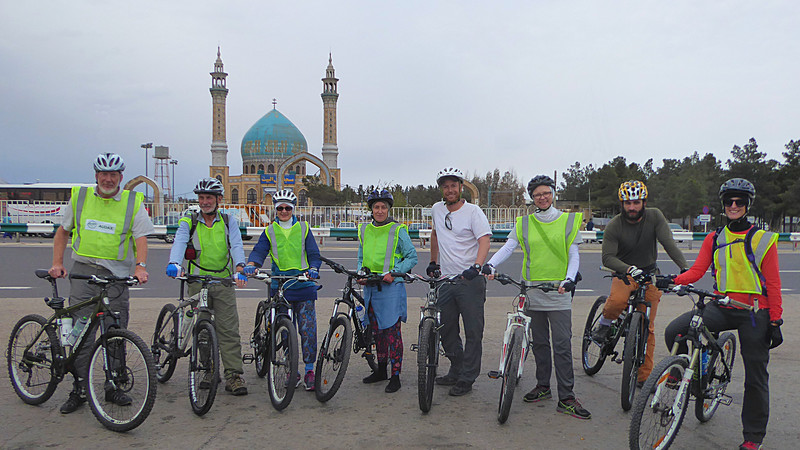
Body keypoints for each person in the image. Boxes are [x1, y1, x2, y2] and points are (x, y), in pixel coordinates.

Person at [661, 178, 782, 450]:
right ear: (723, 205)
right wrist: (672, 280)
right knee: (676, 331)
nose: (734, 205)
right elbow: (696, 271)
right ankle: (693, 376)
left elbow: (773, 283)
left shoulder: (763, 240)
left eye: (740, 201)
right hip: (722, 304)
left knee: (756, 375)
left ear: (748, 205)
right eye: (730, 201)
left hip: (754, 312)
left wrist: (775, 320)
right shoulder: (714, 237)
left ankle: (753, 437)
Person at [48, 153, 154, 414]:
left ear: (121, 177)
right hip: (83, 273)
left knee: (114, 331)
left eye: (114, 175)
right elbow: (63, 232)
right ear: (96, 175)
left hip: (116, 276)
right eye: (103, 174)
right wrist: (57, 263)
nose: (108, 179)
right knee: (82, 333)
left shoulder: (132, 201)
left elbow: (140, 238)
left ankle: (113, 385)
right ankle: (80, 388)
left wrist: (140, 266)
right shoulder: (81, 197)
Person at [483, 175, 590, 419]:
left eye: (546, 193)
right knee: (539, 343)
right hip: (531, 291)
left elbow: (574, 255)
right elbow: (508, 247)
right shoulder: (523, 223)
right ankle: (543, 386)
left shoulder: (568, 221)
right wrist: (489, 265)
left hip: (559, 291)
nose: (542, 197)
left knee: (562, 345)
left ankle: (567, 397)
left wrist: (570, 278)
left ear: (553, 194)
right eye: (537, 194)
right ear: (532, 198)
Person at [592, 180, 688, 385]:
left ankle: (644, 378)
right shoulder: (614, 225)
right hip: (624, 273)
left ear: (644, 202)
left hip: (649, 274)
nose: (632, 207)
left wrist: (684, 269)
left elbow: (668, 243)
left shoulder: (655, 216)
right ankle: (605, 324)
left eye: (636, 202)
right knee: (617, 302)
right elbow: (607, 258)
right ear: (622, 204)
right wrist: (628, 269)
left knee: (648, 327)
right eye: (627, 203)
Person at [166, 178, 249, 395]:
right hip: (197, 284)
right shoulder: (189, 221)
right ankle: (208, 370)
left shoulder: (229, 221)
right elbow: (180, 241)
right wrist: (175, 263)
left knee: (229, 330)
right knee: (202, 329)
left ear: (218, 199)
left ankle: (234, 375)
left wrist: (240, 266)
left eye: (209, 198)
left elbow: (237, 246)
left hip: (222, 283)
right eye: (201, 198)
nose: (204, 202)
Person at [245, 189, 322, 391]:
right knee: (286, 332)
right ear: (276, 209)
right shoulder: (270, 230)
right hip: (281, 288)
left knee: (308, 330)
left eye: (288, 208)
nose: (284, 211)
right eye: (280, 208)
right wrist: (252, 263)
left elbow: (314, 253)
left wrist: (313, 269)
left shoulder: (304, 228)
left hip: (304, 285)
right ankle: (291, 370)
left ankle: (310, 370)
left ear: (293, 209)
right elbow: (259, 250)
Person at [428, 167, 492, 396]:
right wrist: (433, 262)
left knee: (473, 331)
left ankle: (467, 377)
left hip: (470, 280)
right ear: (441, 189)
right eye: (445, 186)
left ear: (460, 187)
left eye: (453, 185)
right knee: (446, 329)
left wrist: (477, 266)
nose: (449, 190)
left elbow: (484, 240)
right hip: (446, 280)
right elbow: (436, 234)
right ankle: (456, 368)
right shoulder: (437, 209)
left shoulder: (473, 212)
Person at [357, 189, 418, 393]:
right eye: (376, 207)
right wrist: (360, 273)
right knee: (377, 332)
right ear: (371, 209)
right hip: (371, 289)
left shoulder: (398, 230)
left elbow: (411, 257)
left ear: (388, 209)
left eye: (384, 207)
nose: (380, 210)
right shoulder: (364, 229)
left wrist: (395, 272)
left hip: (390, 287)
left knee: (392, 333)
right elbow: (361, 257)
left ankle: (396, 375)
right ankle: (381, 370)